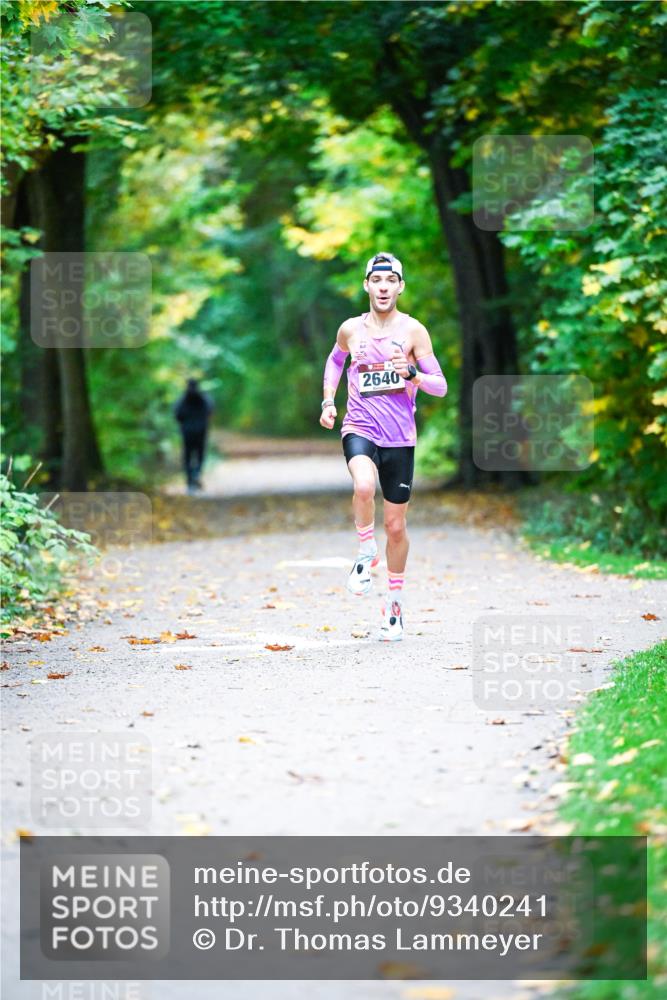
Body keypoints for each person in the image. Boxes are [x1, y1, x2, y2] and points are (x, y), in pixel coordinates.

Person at [319, 252, 447, 641]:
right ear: (367, 285)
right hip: (359, 425)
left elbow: (440, 385)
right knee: (362, 486)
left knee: (395, 526)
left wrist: (411, 372)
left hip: (400, 438)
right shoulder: (350, 329)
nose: (384, 287)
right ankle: (363, 551)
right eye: (377, 280)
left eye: (391, 281)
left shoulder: (413, 332)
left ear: (400, 287)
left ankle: (394, 605)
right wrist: (329, 401)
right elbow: (334, 362)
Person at [174, 378, 213, 494]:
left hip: (187, 432)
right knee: (200, 454)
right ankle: (196, 473)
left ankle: (190, 481)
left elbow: (177, 415)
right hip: (201, 432)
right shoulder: (204, 399)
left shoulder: (182, 399)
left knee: (187, 456)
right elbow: (210, 412)